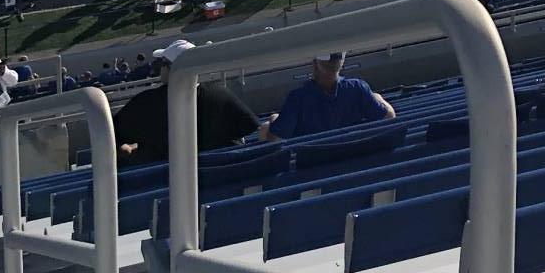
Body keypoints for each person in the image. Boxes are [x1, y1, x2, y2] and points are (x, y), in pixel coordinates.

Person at [113, 39, 258, 164]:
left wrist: (131, 149)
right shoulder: (220, 93)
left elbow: (111, 135)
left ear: (171, 68)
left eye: (162, 63)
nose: (160, 68)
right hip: (221, 178)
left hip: (166, 184)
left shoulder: (146, 103)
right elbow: (250, 127)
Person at [262, 50, 395, 139]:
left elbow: (276, 137)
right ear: (341, 63)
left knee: (265, 127)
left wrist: (273, 120)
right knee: (376, 96)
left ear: (315, 64)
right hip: (351, 155)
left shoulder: (297, 98)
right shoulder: (358, 88)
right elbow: (388, 117)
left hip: (311, 167)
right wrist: (378, 98)